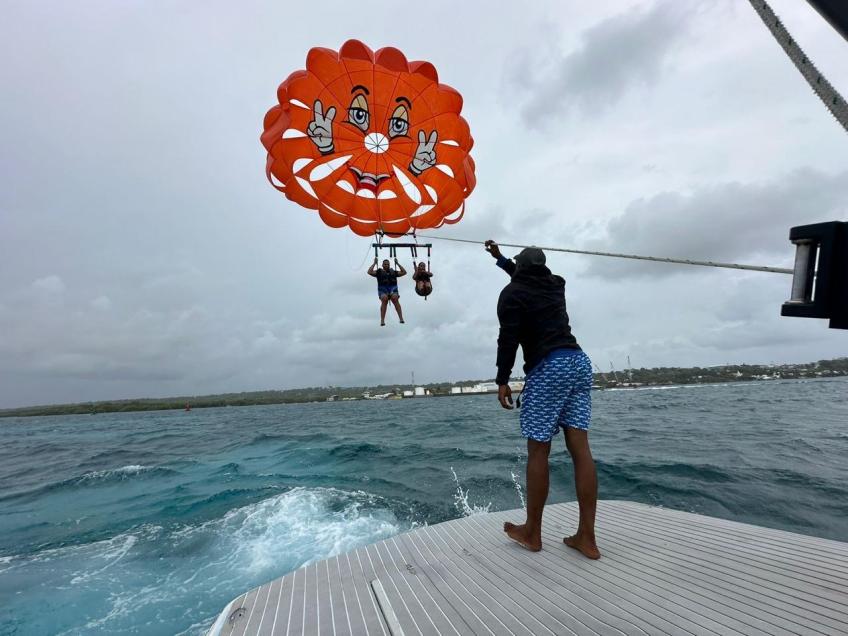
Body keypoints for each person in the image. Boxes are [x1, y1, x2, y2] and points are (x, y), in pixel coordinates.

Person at [485, 239, 600, 559]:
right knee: (581, 450)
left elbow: (507, 339)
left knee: (538, 450)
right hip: (579, 363)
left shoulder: (511, 295)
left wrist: (502, 379)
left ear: (520, 269)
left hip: (549, 367)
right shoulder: (556, 286)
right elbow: (527, 276)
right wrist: (501, 259)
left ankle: (532, 532)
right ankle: (587, 538)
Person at [368, 257, 406, 326]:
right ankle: (382, 320)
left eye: (388, 264)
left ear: (389, 265)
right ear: (382, 265)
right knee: (384, 299)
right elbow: (369, 272)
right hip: (383, 289)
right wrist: (374, 263)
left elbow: (404, 272)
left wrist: (397, 263)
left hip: (393, 289)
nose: (386, 265)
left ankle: (401, 318)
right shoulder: (379, 272)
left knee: (395, 298)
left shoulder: (393, 272)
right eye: (385, 264)